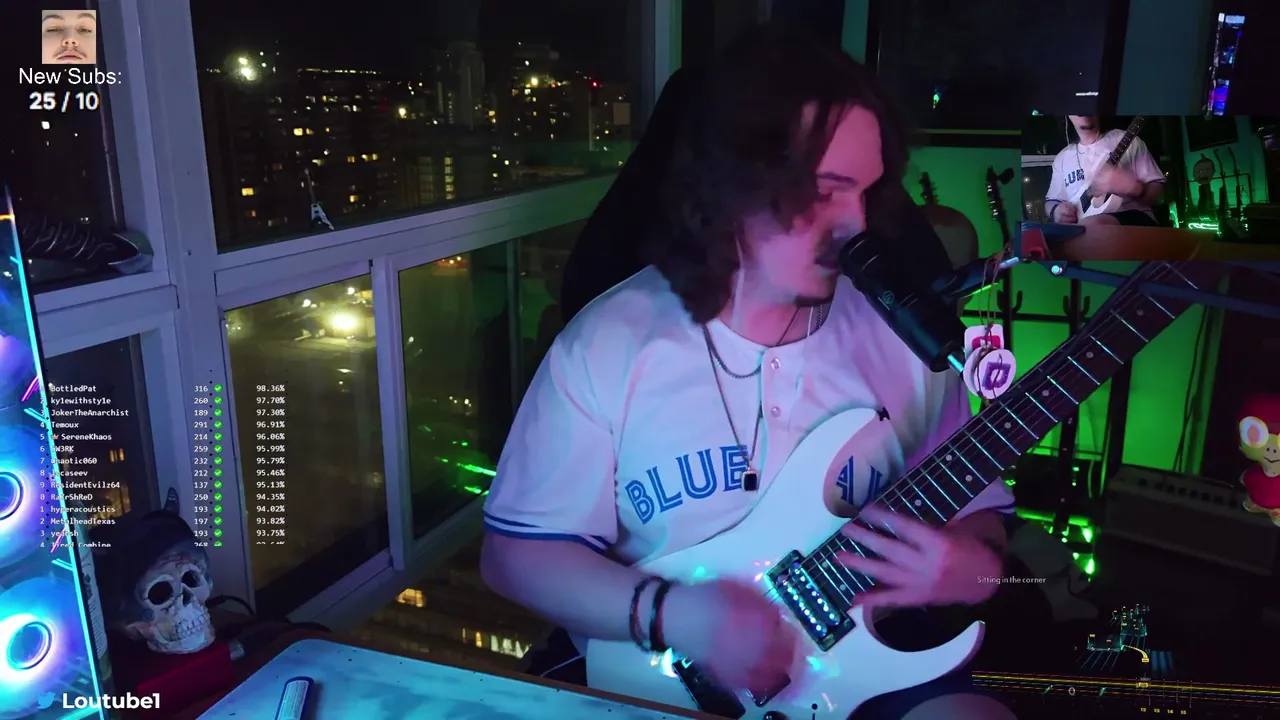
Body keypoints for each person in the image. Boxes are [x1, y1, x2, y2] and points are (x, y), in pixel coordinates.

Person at [480, 24, 1018, 720]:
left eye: (865, 192)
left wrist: (972, 570)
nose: (856, 223)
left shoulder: (904, 339)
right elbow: (516, 556)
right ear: (734, 185)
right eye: (825, 189)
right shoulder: (609, 344)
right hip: (659, 674)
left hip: (863, 664)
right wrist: (674, 614)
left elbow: (980, 519)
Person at [1043, 115, 1166, 227]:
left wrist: (1135, 188)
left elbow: (1160, 197)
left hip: (1135, 223)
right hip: (1083, 230)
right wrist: (1055, 211)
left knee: (1092, 225)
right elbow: (1051, 201)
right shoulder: (1062, 158)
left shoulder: (1128, 140)